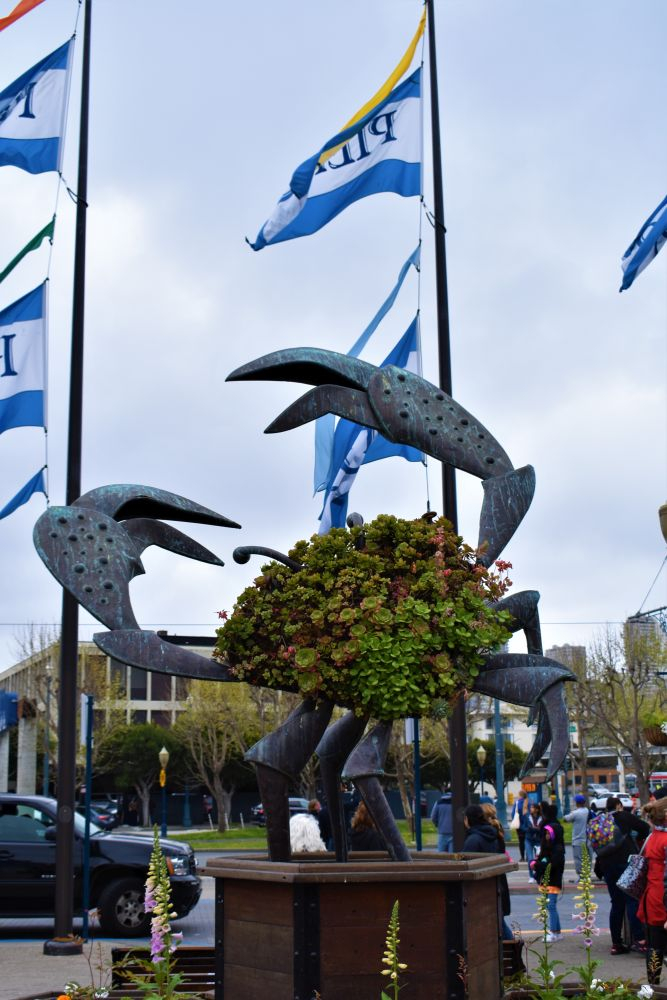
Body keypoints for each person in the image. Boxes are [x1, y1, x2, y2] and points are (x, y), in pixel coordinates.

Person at [592, 795, 649, 955]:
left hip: (607, 865)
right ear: (618, 805)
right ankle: (640, 940)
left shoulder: (599, 821)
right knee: (631, 900)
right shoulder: (624, 816)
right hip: (626, 862)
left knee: (616, 903)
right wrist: (636, 839)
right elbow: (644, 828)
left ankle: (616, 943)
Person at [463, 803, 513, 941]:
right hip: (496, 884)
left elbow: (466, 865)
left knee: (498, 923)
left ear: (467, 819)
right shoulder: (494, 834)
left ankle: (513, 948)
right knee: (498, 921)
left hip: (483, 888)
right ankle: (512, 947)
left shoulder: (474, 839)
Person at [637, 796, 667, 986]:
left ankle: (653, 988)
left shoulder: (652, 837)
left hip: (652, 897)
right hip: (664, 897)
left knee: (655, 947)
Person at [530, 801, 565, 942]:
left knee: (551, 905)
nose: (546, 836)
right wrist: (536, 863)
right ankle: (557, 932)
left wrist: (537, 865)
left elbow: (552, 865)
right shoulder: (547, 848)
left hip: (553, 879)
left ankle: (553, 932)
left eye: (548, 833)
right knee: (549, 905)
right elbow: (543, 860)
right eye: (545, 833)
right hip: (546, 879)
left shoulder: (558, 849)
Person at [564, 793, 592, 884]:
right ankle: (587, 876)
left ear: (577, 803)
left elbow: (565, 819)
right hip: (588, 839)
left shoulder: (575, 813)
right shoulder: (588, 811)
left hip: (578, 840)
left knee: (578, 859)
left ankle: (581, 877)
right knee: (587, 859)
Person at [431, 785, 453, 853]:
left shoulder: (438, 802)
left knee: (441, 856)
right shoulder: (457, 803)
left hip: (442, 832)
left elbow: (433, 817)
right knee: (453, 856)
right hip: (454, 833)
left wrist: (437, 825)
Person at [525, 802, 543, 880]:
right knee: (530, 859)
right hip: (528, 840)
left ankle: (537, 874)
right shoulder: (527, 816)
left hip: (538, 840)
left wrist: (533, 828)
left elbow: (541, 829)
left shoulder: (541, 818)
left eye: (532, 807)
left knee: (538, 858)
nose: (530, 809)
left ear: (536, 809)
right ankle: (531, 876)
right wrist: (535, 828)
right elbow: (526, 827)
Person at [510, 790, 529, 861]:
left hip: (519, 825)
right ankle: (528, 856)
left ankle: (522, 857)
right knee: (528, 841)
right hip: (528, 825)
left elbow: (513, 814)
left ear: (520, 795)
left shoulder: (517, 803)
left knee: (521, 842)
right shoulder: (529, 802)